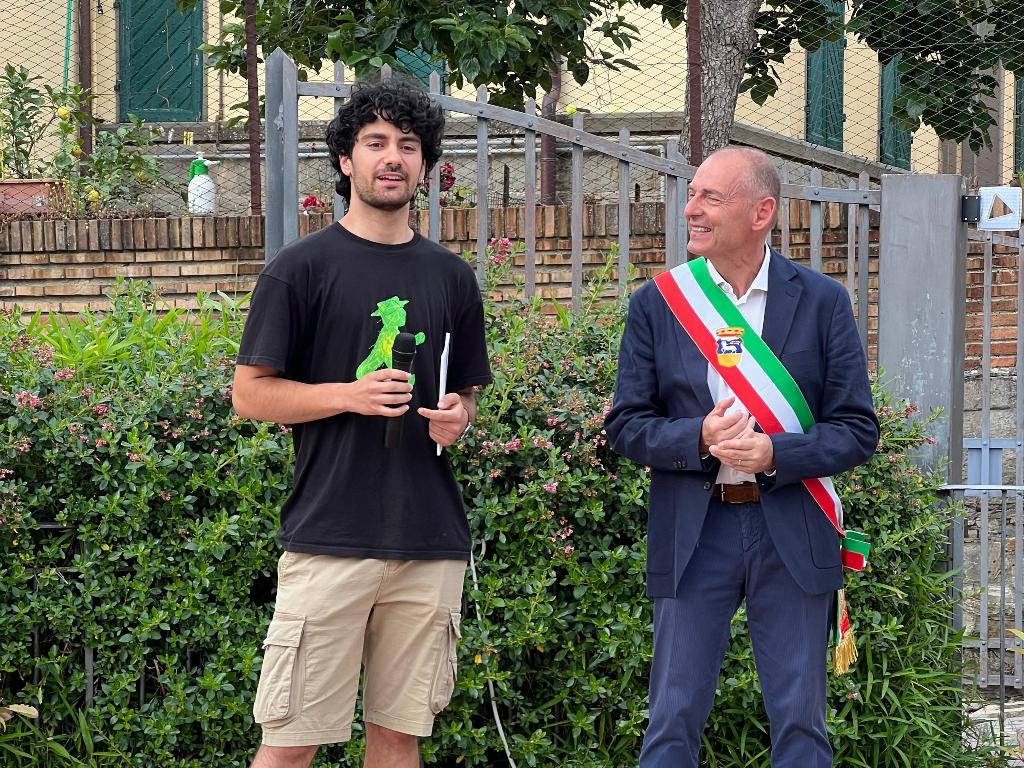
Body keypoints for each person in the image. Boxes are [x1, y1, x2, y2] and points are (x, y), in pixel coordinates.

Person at [232, 77, 492, 768]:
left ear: (425, 166)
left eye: (408, 145)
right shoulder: (299, 269)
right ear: (346, 160)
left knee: (398, 739)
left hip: (428, 541)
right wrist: (347, 395)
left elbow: (465, 395)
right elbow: (250, 395)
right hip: (330, 538)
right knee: (290, 744)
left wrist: (458, 417)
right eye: (375, 142)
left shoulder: (452, 277)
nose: (392, 157)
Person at [604, 146, 879, 768]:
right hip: (695, 533)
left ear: (762, 212)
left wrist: (774, 452)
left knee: (801, 724)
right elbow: (626, 426)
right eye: (693, 194)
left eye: (710, 197)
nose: (691, 209)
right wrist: (698, 438)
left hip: (792, 526)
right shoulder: (660, 302)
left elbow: (857, 430)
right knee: (671, 720)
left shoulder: (821, 301)